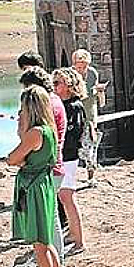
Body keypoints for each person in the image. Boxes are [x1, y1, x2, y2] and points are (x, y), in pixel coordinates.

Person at [6, 85, 66, 267]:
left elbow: (13, 159)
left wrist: (21, 133)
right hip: (44, 183)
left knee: (40, 244)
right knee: (47, 239)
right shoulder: (49, 129)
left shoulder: (34, 133)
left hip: (34, 189)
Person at [18, 58, 66, 256]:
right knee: (49, 219)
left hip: (46, 170)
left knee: (48, 222)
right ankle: (52, 266)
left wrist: (23, 121)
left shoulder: (47, 107)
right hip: (51, 167)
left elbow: (28, 138)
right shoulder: (53, 102)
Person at [52, 67, 87, 254]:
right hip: (63, 156)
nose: (54, 86)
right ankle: (73, 234)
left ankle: (79, 241)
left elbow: (75, 133)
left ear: (69, 85)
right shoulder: (63, 105)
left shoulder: (74, 106)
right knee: (64, 197)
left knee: (67, 197)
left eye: (58, 83)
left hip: (68, 156)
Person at [72, 49, 106, 182]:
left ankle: (91, 172)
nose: (81, 69)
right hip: (74, 113)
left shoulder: (92, 73)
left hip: (89, 114)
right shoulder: (70, 74)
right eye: (78, 66)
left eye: (84, 66)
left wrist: (99, 91)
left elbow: (97, 94)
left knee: (91, 143)